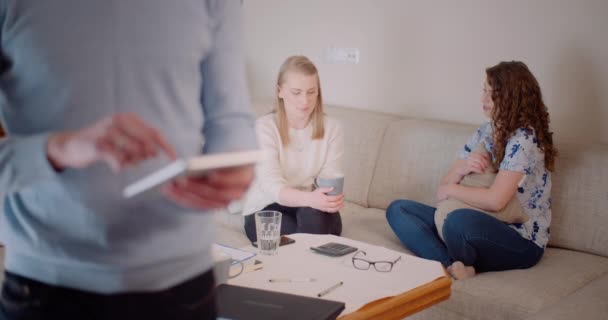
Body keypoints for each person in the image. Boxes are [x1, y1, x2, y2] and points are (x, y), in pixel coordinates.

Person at [0, 1, 256, 319]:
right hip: (45, 289)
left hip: (182, 286)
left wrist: (232, 162)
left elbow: (231, 118)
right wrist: (58, 149)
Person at [386, 61, 557, 279]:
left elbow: (496, 201)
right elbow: (445, 183)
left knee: (457, 221)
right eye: (483, 91)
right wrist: (463, 169)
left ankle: (450, 257)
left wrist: (450, 191)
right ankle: (450, 266)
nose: (483, 99)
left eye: (491, 93)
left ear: (512, 97)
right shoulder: (485, 131)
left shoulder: (524, 139)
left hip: (519, 239)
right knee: (399, 209)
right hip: (477, 221)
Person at [242, 55, 344, 243]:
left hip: (310, 207)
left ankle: (310, 251)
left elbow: (330, 181)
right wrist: (310, 199)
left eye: (311, 92)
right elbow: (272, 187)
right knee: (309, 231)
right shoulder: (264, 128)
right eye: (296, 92)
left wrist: (329, 199)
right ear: (280, 91)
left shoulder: (332, 128)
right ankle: (318, 247)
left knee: (312, 219)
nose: (305, 101)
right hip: (267, 207)